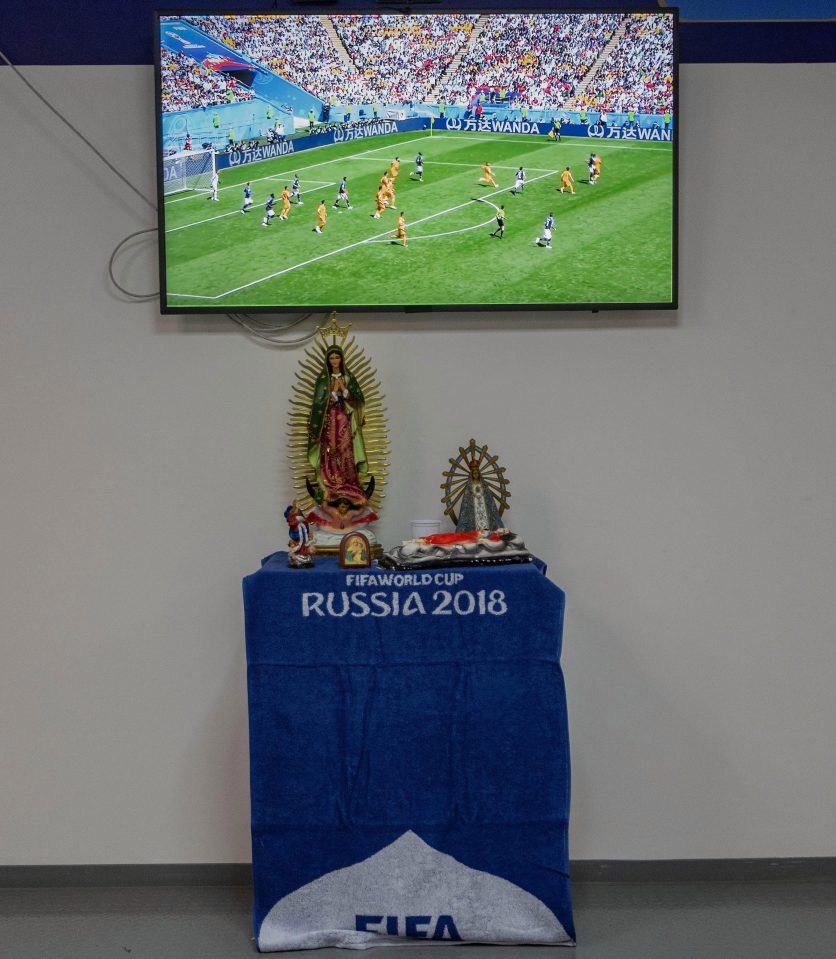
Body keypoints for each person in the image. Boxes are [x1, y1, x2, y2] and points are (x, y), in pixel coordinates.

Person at [306, 346, 374, 529]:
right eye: (332, 358)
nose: (335, 361)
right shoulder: (323, 381)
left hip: (344, 421)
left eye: (337, 357)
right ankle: (331, 486)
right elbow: (318, 405)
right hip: (329, 424)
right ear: (328, 361)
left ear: (342, 360)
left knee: (345, 452)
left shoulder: (349, 378)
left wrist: (344, 390)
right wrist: (332, 395)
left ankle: (347, 483)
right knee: (330, 452)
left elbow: (357, 401)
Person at [456, 460, 503, 533]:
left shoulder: (484, 485)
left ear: (479, 474)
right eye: (474, 473)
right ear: (471, 474)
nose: (476, 475)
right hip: (473, 510)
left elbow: (489, 498)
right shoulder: (469, 486)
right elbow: (466, 500)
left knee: (487, 522)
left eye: (477, 473)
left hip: (484, 507)